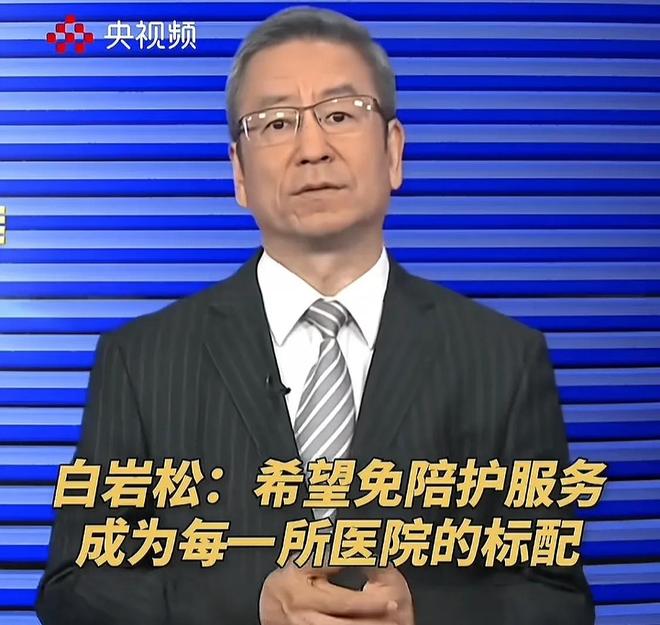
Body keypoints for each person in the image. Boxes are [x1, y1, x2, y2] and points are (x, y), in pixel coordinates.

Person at [37, 7, 595, 625]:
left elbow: (557, 599)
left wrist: (422, 612)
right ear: (239, 174)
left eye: (340, 114)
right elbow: (75, 590)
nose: (312, 149)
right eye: (276, 122)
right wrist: (249, 606)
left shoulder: (503, 359)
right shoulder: (142, 361)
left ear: (394, 151)